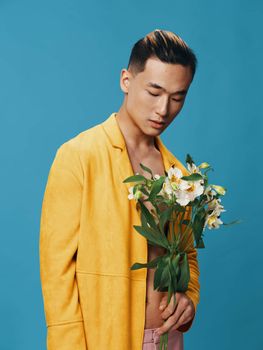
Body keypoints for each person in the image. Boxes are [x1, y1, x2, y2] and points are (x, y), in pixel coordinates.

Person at [39, 29, 200, 350]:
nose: (163, 109)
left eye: (177, 97)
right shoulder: (79, 156)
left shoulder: (178, 173)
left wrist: (190, 298)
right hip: (105, 339)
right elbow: (56, 269)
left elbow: (187, 255)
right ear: (126, 81)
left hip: (169, 339)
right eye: (154, 92)